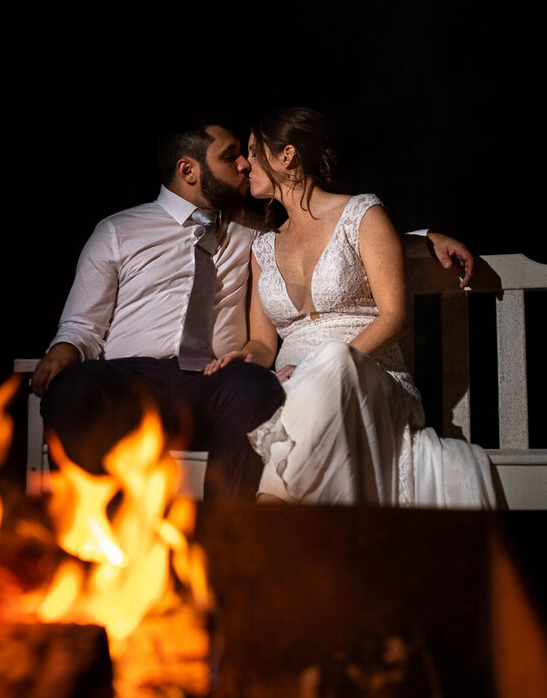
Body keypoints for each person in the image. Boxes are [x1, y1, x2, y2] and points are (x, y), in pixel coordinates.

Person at [32, 111, 476, 502]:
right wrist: (64, 349)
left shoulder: (247, 234)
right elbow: (81, 324)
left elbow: (344, 232)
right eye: (231, 156)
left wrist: (423, 238)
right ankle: (98, 526)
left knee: (254, 388)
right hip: (133, 375)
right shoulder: (121, 231)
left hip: (219, 381)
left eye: (248, 153)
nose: (244, 164)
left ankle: (233, 529)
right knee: (71, 389)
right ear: (189, 169)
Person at [208, 106, 495, 507]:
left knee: (333, 363)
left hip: (369, 380)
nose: (245, 164)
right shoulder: (263, 247)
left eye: (254, 152)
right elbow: (263, 344)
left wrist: (315, 368)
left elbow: (394, 317)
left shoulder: (362, 213)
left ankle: (269, 516)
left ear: (286, 155)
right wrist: (245, 357)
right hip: (292, 388)